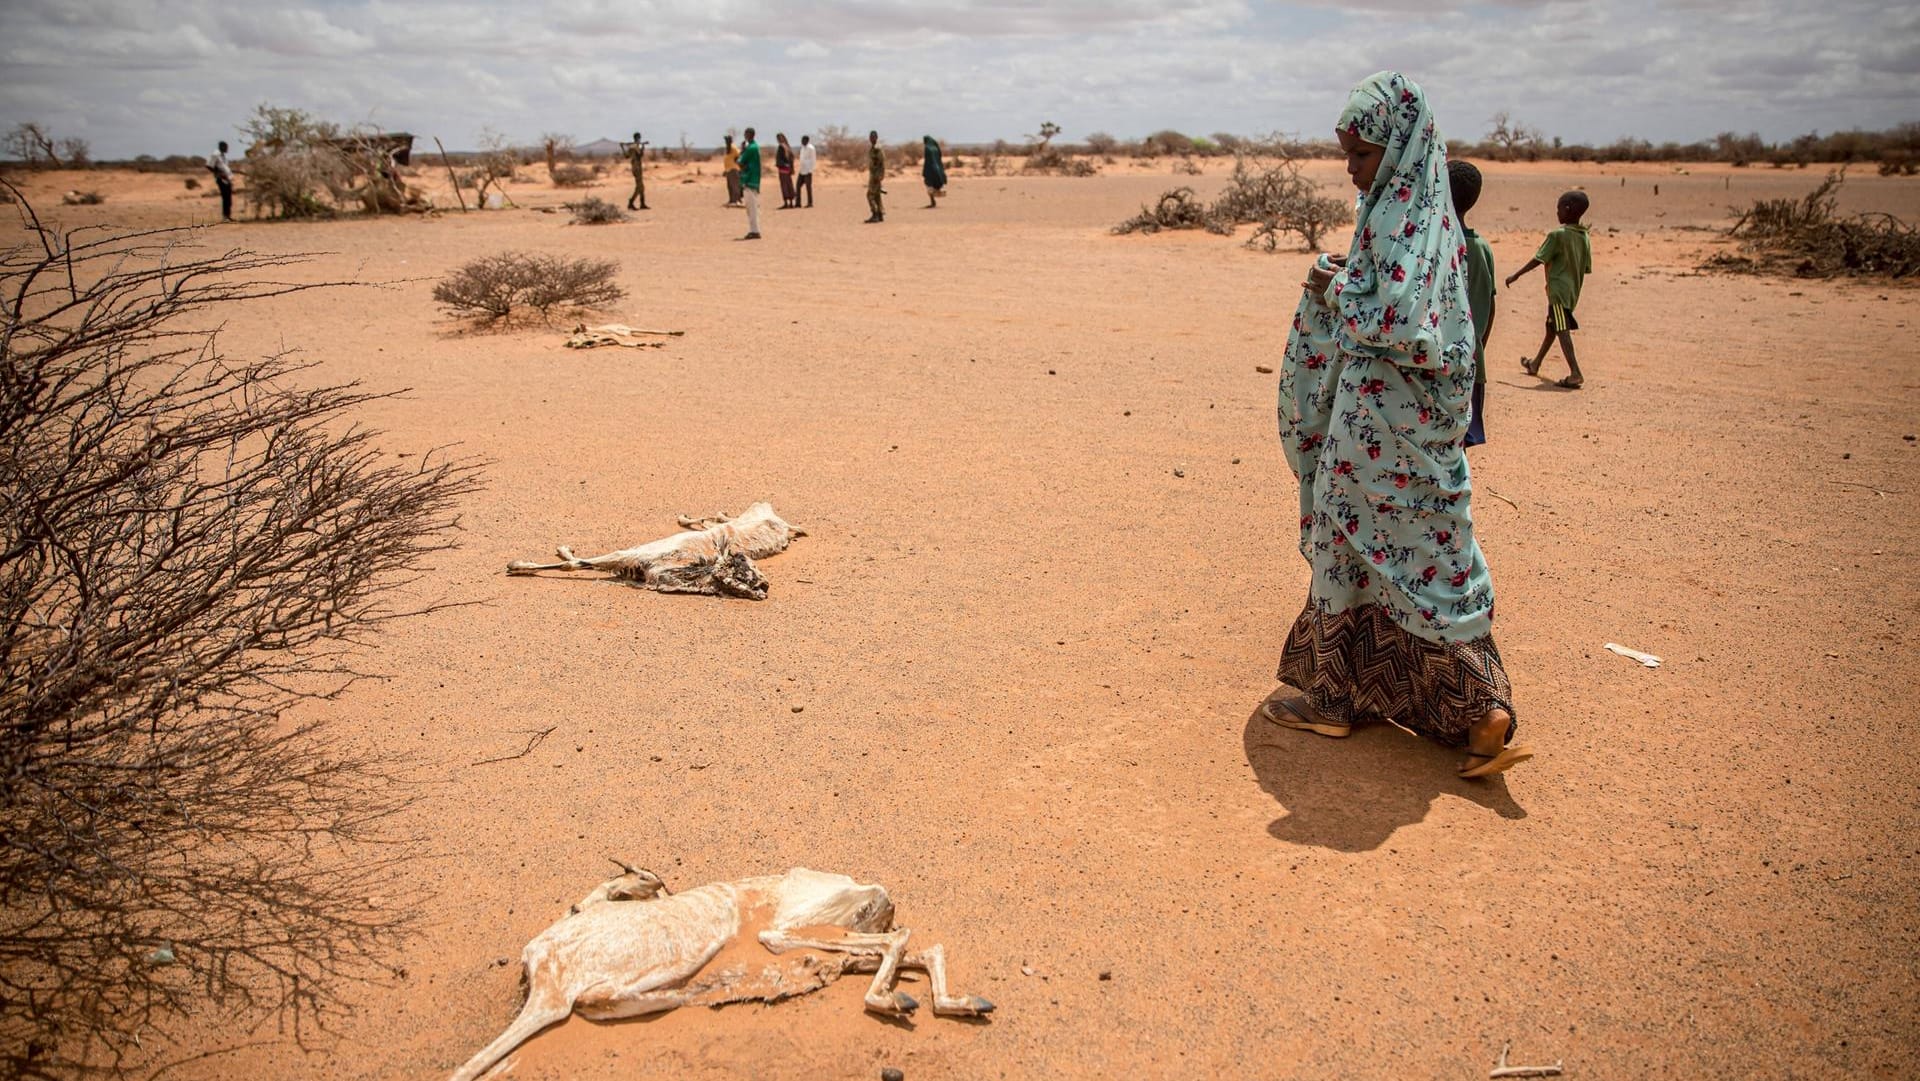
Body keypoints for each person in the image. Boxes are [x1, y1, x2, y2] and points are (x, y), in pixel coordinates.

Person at [1268, 71, 1529, 779]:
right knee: (1421, 555)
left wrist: (1334, 285)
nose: (1352, 170)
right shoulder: (1428, 219)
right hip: (1403, 431)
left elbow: (1401, 321)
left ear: (1401, 148)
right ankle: (1468, 709)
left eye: (1362, 155)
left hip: (1383, 431)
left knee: (1370, 550)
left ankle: (1362, 696)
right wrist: (1349, 273)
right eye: (1348, 155)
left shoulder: (1400, 219)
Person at [1508, 191, 1593, 389]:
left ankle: (1575, 372)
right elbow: (1586, 267)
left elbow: (1539, 258)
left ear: (1568, 209)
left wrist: (1516, 274)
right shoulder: (1584, 236)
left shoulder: (1558, 235)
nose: (1557, 213)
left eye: (1559, 208)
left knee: (1561, 329)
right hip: (1572, 291)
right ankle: (1535, 363)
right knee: (1552, 327)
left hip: (1558, 292)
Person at [1449, 160, 1495, 446]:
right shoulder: (1482, 248)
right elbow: (1491, 308)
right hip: (1473, 358)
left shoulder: (1440, 246)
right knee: (1462, 441)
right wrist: (1478, 347)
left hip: (1440, 362)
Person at [738, 127, 762, 239]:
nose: (745, 136)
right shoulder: (754, 147)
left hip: (749, 180)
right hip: (754, 180)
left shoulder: (751, 148)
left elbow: (740, 161)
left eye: (746, 134)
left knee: (751, 208)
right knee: (753, 208)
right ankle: (754, 229)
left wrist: (742, 150)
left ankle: (755, 231)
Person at [206, 140, 234, 222]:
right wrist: (218, 173)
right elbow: (209, 165)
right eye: (226, 147)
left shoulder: (222, 156)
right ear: (222, 147)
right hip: (221, 179)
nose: (227, 149)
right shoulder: (215, 154)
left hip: (227, 178)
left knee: (228, 198)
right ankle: (225, 217)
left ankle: (228, 216)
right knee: (225, 197)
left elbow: (223, 166)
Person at [622, 131, 649, 211]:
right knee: (639, 186)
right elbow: (640, 155)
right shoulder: (635, 146)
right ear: (637, 138)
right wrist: (643, 147)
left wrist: (622, 148)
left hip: (634, 167)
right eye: (639, 138)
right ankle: (631, 202)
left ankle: (642, 203)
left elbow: (626, 156)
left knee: (641, 187)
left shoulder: (631, 147)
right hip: (637, 168)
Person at [864, 130, 885, 223]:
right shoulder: (873, 148)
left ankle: (875, 214)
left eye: (873, 137)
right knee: (877, 195)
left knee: (870, 195)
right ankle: (880, 214)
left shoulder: (877, 149)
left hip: (876, 176)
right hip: (874, 175)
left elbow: (881, 163)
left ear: (876, 137)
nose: (871, 139)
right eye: (870, 137)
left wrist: (879, 176)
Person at [921, 135, 946, 209]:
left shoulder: (928, 148)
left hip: (930, 169)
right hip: (938, 168)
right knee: (935, 184)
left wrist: (925, 170)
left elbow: (928, 160)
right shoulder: (936, 148)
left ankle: (932, 201)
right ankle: (933, 200)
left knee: (929, 184)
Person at [775, 133, 796, 209]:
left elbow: (779, 159)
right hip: (788, 169)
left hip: (783, 169)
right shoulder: (788, 147)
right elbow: (792, 159)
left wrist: (779, 164)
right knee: (789, 185)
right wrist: (791, 168)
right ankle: (791, 202)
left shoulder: (781, 147)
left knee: (784, 186)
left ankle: (786, 202)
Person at [722, 134, 742, 207]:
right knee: (730, 186)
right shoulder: (728, 147)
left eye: (727, 140)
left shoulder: (733, 147)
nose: (726, 141)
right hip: (728, 169)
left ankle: (737, 200)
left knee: (735, 185)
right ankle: (732, 200)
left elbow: (738, 155)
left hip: (733, 169)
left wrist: (736, 163)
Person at [796, 134, 816, 208]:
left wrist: (811, 170)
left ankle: (810, 203)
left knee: (808, 187)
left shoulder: (811, 148)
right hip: (802, 170)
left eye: (803, 140)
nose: (802, 141)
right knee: (798, 186)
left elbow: (813, 159)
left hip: (808, 170)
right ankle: (798, 203)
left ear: (807, 140)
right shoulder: (802, 148)